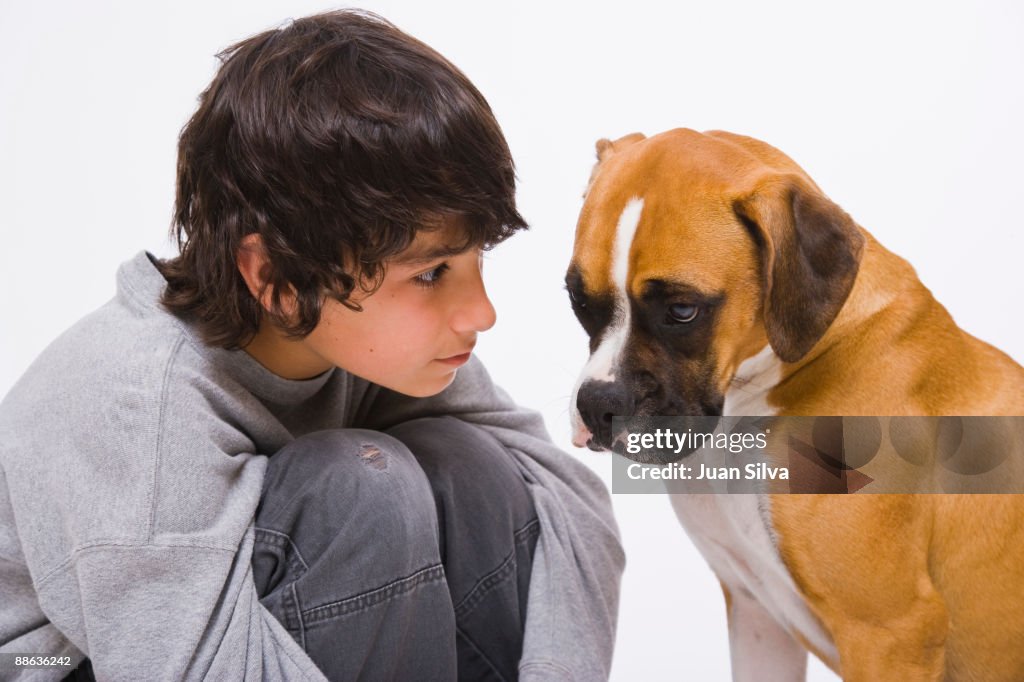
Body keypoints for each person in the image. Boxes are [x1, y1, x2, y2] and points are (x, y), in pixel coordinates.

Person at [0, 10, 623, 681]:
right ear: (278, 280)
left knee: (468, 462)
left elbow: (565, 496)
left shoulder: (358, 342)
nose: (483, 313)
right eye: (431, 274)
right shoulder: (138, 409)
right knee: (361, 487)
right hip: (74, 663)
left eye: (478, 260)